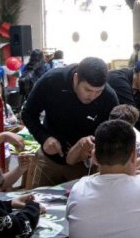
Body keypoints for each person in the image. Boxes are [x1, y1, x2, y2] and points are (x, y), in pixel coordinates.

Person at [20, 57, 121, 187]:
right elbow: (28, 113)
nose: (92, 96)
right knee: (36, 202)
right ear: (76, 78)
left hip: (83, 166)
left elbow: (113, 132)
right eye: (88, 90)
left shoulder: (108, 97)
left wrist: (95, 148)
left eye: (98, 92)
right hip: (49, 160)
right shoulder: (52, 81)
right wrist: (44, 138)